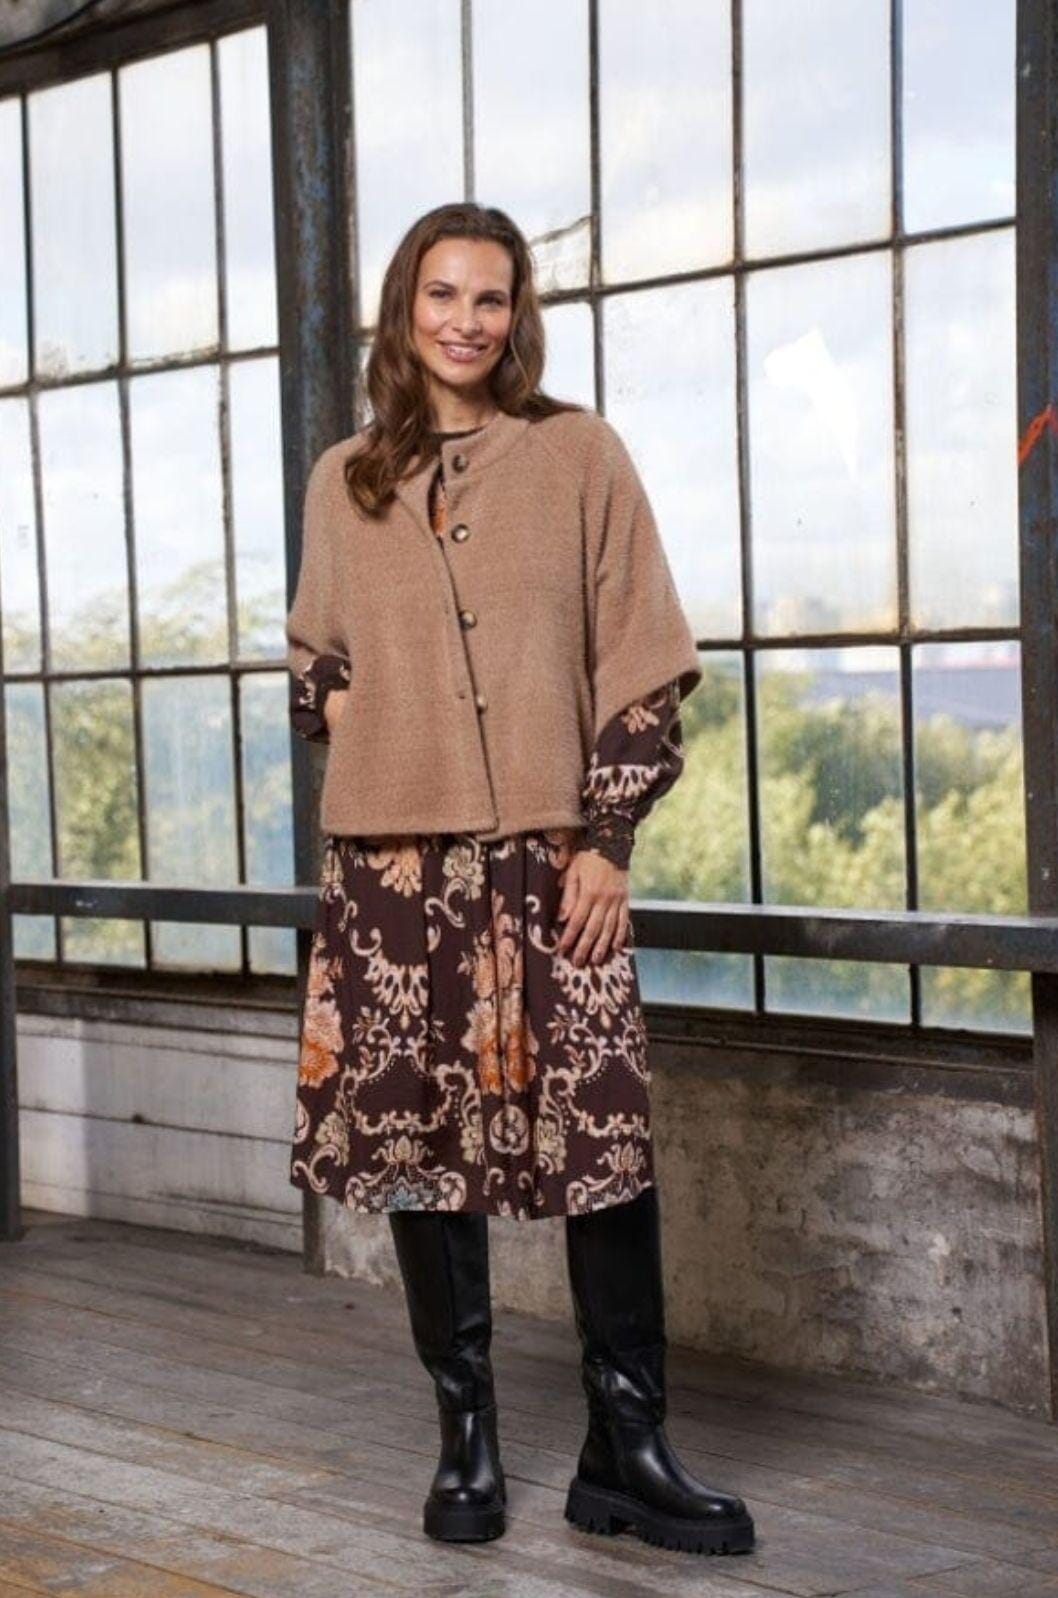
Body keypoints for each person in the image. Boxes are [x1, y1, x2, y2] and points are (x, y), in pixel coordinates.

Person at [285, 200, 755, 1558]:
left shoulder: (579, 454)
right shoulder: (344, 479)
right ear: (403, 308)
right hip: (394, 872)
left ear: (517, 315)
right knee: (423, 1151)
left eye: (490, 298)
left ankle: (627, 1447)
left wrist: (606, 836)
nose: (466, 321)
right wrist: (381, 718)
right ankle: (467, 1442)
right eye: (442, 294)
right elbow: (314, 669)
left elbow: (644, 657)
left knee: (602, 1144)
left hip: (555, 863)